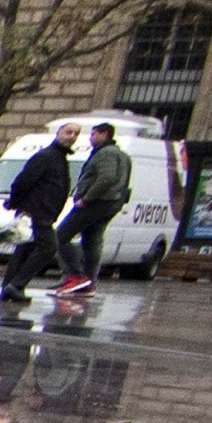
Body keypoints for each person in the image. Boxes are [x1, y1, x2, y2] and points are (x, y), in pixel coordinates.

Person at [0, 123, 72, 319]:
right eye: (68, 132)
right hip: (36, 212)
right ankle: (16, 285)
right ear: (58, 133)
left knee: (25, 248)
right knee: (49, 247)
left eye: (75, 134)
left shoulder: (59, 158)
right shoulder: (46, 156)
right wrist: (13, 202)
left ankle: (9, 288)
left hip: (43, 212)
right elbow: (23, 180)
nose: (72, 136)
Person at [56, 122, 134, 301]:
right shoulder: (123, 155)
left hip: (97, 203)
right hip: (111, 203)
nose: (90, 138)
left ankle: (76, 276)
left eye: (93, 134)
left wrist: (87, 198)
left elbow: (106, 178)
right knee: (92, 241)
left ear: (104, 134)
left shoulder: (106, 153)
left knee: (60, 235)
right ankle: (88, 283)